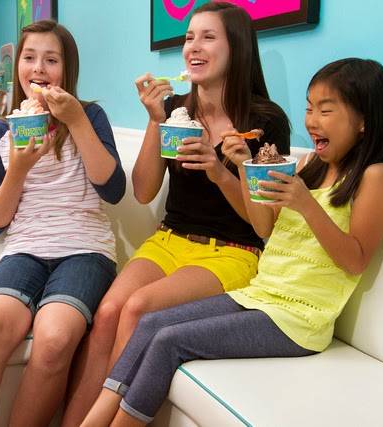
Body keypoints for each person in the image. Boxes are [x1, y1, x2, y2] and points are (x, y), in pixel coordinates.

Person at [81, 57, 383, 426]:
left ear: (363, 120)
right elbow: (264, 227)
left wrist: (306, 204)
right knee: (152, 324)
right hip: (259, 296)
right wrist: (246, 166)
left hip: (298, 321)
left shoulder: (375, 176)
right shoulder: (309, 167)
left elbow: (355, 260)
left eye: (325, 110)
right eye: (309, 108)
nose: (312, 121)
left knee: (169, 342)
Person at [63, 3, 290, 424]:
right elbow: (144, 191)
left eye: (208, 37)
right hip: (169, 240)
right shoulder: (175, 112)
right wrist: (155, 120)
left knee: (138, 308)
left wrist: (219, 170)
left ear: (237, 48)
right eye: (189, 37)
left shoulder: (264, 122)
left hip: (232, 250)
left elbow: (264, 224)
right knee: (109, 310)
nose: (193, 47)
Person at [0, 20, 126, 427]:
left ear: (68, 70)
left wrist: (76, 120)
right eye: (29, 58)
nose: (39, 69)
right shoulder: (0, 131)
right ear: (18, 68)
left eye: (51, 60)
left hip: (85, 251)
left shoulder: (90, 115)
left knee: (55, 338)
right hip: (25, 250)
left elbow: (113, 189)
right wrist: (19, 168)